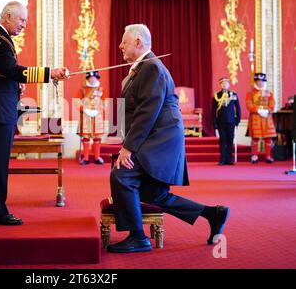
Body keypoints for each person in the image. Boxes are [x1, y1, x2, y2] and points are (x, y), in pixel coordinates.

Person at [108, 24, 229, 253]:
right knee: (154, 194)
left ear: (138, 42)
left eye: (124, 41)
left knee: (122, 176)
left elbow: (147, 112)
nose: (120, 45)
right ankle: (213, 214)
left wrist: (128, 147)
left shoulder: (151, 67)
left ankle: (138, 238)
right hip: (155, 140)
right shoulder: (143, 67)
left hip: (159, 142)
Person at [0, 1, 68, 225]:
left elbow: (2, 75)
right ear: (8, 16)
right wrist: (49, 73)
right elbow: (10, 69)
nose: (24, 25)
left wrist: (15, 86)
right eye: (22, 20)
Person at [245, 73, 277, 163]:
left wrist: (266, 110)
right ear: (255, 82)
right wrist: (258, 110)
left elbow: (272, 105)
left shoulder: (269, 93)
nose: (260, 83)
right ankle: (255, 156)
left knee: (268, 138)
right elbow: (249, 105)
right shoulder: (250, 93)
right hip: (256, 117)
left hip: (267, 118)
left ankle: (268, 156)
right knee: (255, 138)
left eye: (262, 81)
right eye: (258, 81)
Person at [211, 76, 241, 165]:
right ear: (220, 85)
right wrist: (214, 122)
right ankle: (222, 159)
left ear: (229, 84)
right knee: (222, 140)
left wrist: (237, 120)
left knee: (230, 140)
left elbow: (238, 108)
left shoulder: (233, 94)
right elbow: (213, 110)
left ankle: (229, 159)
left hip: (231, 121)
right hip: (221, 121)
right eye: (222, 83)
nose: (225, 85)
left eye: (226, 83)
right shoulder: (217, 95)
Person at [79, 70, 105, 165]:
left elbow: (105, 102)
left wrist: (99, 109)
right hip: (86, 117)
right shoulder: (83, 90)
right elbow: (78, 102)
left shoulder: (101, 89)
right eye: (90, 78)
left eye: (94, 78)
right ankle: (86, 158)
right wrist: (83, 108)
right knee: (86, 137)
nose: (92, 80)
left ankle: (97, 157)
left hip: (97, 117)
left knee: (97, 138)